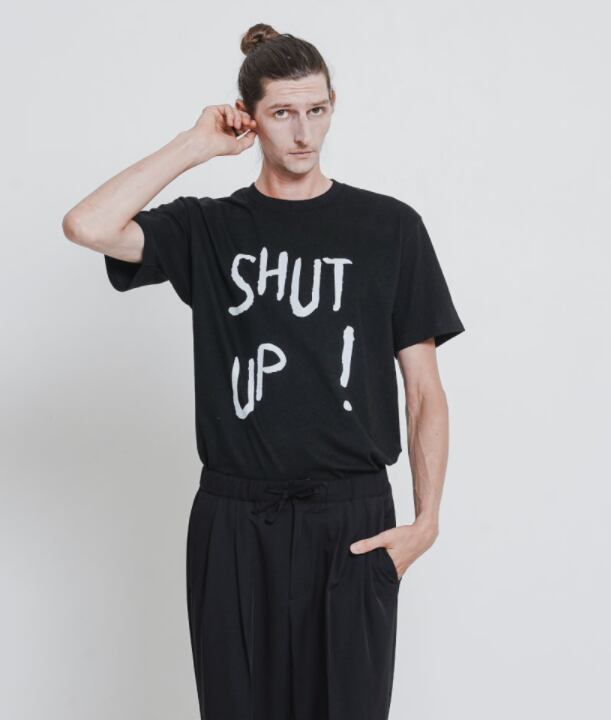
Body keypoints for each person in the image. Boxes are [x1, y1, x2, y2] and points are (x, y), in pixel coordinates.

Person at [62, 22, 465, 720]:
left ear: (333, 106)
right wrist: (194, 146)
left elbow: (423, 390)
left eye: (316, 110)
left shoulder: (389, 228)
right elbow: (87, 225)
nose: (303, 133)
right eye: (282, 113)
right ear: (249, 117)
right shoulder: (211, 228)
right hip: (235, 518)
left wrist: (425, 521)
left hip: (351, 519)